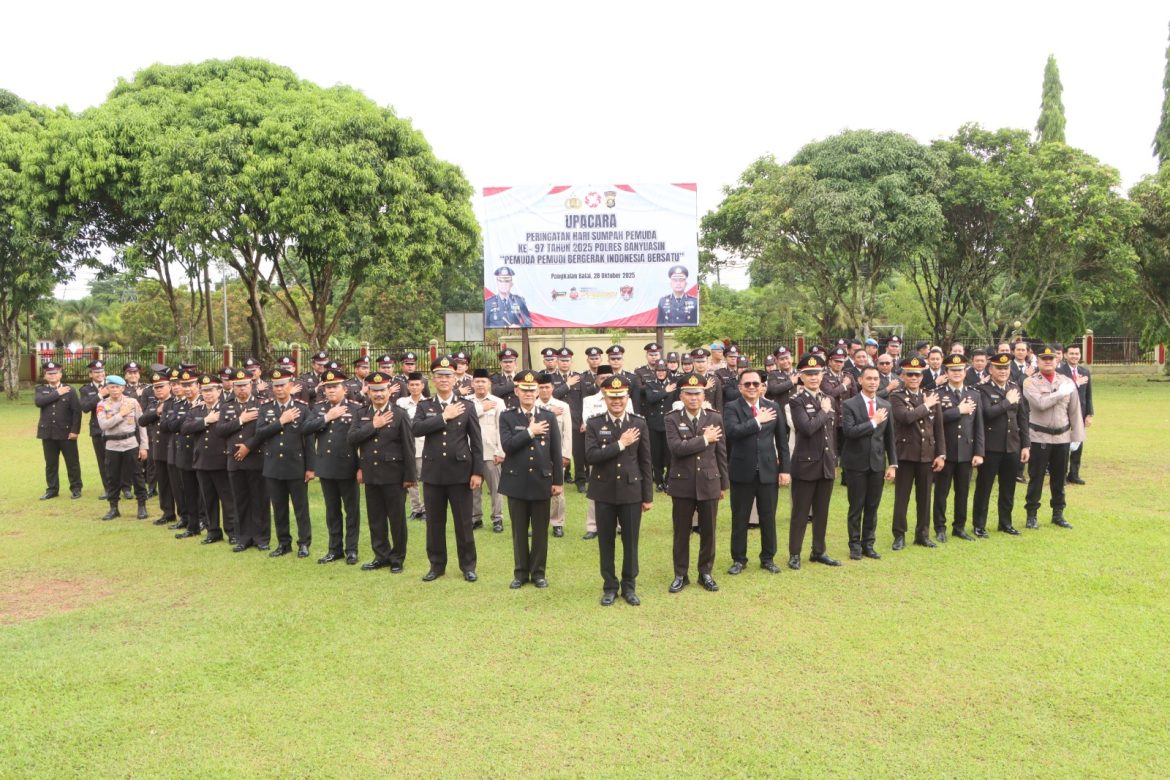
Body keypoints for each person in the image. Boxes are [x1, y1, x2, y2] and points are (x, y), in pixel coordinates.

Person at [412, 356, 485, 582]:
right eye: (439, 376)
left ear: (455, 378)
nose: (444, 379)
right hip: (433, 473)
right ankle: (436, 565)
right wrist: (443, 417)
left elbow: (477, 441)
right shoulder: (425, 406)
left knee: (464, 523)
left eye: (448, 375)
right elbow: (416, 429)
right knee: (434, 523)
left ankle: (468, 566)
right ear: (432, 380)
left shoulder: (467, 406)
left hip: (460, 473)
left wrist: (477, 472)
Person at [585, 375, 653, 606]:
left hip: (631, 491)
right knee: (606, 542)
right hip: (603, 491)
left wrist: (647, 496)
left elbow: (646, 461)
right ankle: (610, 586)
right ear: (604, 397)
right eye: (612, 397)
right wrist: (621, 444)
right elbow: (591, 456)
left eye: (621, 397)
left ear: (627, 398)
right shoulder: (594, 423)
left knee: (630, 542)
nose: (616, 401)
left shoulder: (638, 423)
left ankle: (629, 586)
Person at [664, 372, 729, 593]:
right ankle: (680, 574)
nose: (694, 398)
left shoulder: (715, 417)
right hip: (682, 483)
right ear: (681, 395)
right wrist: (703, 439)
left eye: (698, 394)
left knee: (709, 531)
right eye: (689, 394)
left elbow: (721, 452)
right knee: (681, 532)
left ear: (704, 395)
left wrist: (723, 484)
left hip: (710, 481)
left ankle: (705, 572)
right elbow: (677, 449)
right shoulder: (671, 418)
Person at [499, 370, 564, 589]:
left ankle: (538, 573)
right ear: (516, 391)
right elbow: (507, 446)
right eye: (524, 390)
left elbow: (556, 451)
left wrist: (558, 481)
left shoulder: (548, 416)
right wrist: (530, 431)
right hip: (516, 481)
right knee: (518, 531)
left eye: (532, 390)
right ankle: (520, 573)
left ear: (538, 391)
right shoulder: (507, 416)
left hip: (541, 480)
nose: (528, 393)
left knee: (539, 531)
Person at [348, 371, 417, 573]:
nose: (378, 394)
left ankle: (397, 558)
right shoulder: (361, 414)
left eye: (382, 390)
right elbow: (351, 439)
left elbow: (408, 447)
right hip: (371, 474)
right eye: (374, 390)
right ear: (368, 392)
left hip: (394, 475)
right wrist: (373, 425)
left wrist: (410, 477)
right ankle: (381, 555)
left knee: (396, 519)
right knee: (375, 518)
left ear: (389, 391)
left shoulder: (400, 414)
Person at [724, 367, 790, 575]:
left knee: (768, 517)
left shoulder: (773, 407)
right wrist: (756, 421)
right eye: (747, 384)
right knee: (740, 517)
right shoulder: (731, 407)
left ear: (763, 387)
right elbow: (733, 432)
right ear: (740, 387)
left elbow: (782, 441)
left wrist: (785, 470)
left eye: (756, 384)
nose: (752, 387)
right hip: (742, 471)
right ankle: (739, 559)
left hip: (769, 470)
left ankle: (768, 558)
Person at [253, 367, 318, 558]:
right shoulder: (266, 408)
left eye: (282, 385)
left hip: (296, 466)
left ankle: (304, 543)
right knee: (279, 508)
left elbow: (309, 441)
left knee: (301, 508)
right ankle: (283, 543)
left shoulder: (302, 409)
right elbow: (260, 433)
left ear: (290, 386)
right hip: (273, 466)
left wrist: (310, 468)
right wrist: (280, 421)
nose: (279, 389)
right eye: (276, 386)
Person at [1022, 345, 1085, 529]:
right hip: (1039, 437)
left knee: (1059, 478)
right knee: (1037, 477)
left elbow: (1074, 410)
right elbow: (1040, 404)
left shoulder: (1066, 381)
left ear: (1057, 360)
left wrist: (1077, 437)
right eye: (1044, 359)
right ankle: (1031, 514)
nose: (1048, 362)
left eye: (1051, 358)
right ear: (1038, 361)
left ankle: (1058, 513)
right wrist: (1059, 393)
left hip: (1062, 438)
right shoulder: (1030, 382)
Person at [787, 355, 840, 569]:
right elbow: (807, 428)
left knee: (822, 512)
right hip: (805, 464)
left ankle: (819, 551)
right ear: (800, 376)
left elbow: (832, 433)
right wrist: (823, 411)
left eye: (817, 373)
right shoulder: (796, 400)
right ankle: (795, 554)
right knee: (800, 513)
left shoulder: (828, 398)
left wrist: (834, 458)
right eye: (808, 374)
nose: (813, 378)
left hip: (826, 463)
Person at [839, 366, 897, 560]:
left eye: (876, 379)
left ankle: (868, 544)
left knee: (872, 506)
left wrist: (892, 464)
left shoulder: (885, 405)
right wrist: (873, 422)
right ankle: (854, 545)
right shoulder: (849, 404)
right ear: (860, 380)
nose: (873, 382)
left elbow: (890, 438)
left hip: (877, 463)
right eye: (869, 378)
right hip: (856, 463)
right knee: (856, 506)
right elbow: (849, 432)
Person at [888, 356, 945, 550]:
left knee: (925, 497)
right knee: (902, 497)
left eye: (917, 374)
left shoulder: (930, 394)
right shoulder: (896, 396)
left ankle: (922, 534)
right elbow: (905, 417)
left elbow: (939, 428)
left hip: (927, 454)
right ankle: (899, 535)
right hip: (905, 454)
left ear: (922, 376)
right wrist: (926, 406)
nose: (914, 377)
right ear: (903, 376)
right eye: (910, 374)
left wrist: (941, 454)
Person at [971, 353, 1030, 537]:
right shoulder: (982, 389)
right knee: (984, 487)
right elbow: (987, 413)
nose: (1003, 371)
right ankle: (979, 525)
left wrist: (1025, 445)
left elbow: (1023, 418)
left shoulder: (1014, 387)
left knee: (1008, 488)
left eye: (1006, 368)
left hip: (1012, 445)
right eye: (999, 368)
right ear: (991, 370)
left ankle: (1006, 523)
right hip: (991, 447)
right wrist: (1007, 402)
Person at [309, 367, 362, 564]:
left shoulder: (355, 408)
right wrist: (327, 417)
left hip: (348, 466)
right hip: (326, 466)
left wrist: (361, 467)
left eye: (335, 386)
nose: (331, 390)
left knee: (351, 511)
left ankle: (352, 550)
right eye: (328, 387)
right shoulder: (319, 409)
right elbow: (305, 429)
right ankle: (334, 549)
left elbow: (362, 440)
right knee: (332, 511)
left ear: (344, 388)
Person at [213, 369, 270, 552]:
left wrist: (248, 447)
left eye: (244, 385)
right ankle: (244, 537)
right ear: (232, 386)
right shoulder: (226, 406)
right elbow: (220, 431)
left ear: (251, 385)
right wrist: (240, 420)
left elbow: (265, 432)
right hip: (235, 461)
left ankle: (261, 538)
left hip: (256, 458)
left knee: (259, 500)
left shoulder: (262, 405)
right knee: (240, 500)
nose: (241, 389)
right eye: (237, 386)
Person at [933, 354, 984, 543]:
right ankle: (940, 527)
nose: (956, 373)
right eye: (953, 370)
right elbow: (934, 420)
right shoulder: (938, 394)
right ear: (946, 372)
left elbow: (978, 425)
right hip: (945, 451)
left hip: (966, 451)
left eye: (960, 370)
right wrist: (958, 411)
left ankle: (959, 527)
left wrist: (979, 452)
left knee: (962, 492)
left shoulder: (974, 394)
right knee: (941, 492)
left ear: (965, 372)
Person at [181, 374, 236, 545]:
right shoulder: (196, 410)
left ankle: (232, 532)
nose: (207, 393)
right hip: (202, 461)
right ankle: (213, 531)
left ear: (219, 390)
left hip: (221, 460)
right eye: (204, 390)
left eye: (211, 390)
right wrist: (206, 420)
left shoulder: (227, 408)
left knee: (227, 499)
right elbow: (185, 428)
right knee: (208, 499)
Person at [95, 375, 149, 520]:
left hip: (131, 443)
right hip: (112, 445)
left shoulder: (132, 402)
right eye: (111, 387)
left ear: (123, 388)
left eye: (117, 387)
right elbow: (104, 425)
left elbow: (142, 424)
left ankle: (142, 506)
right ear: (107, 388)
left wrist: (144, 446)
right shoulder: (102, 404)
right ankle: (113, 508)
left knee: (137, 476)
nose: (115, 390)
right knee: (112, 477)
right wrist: (121, 414)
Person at [35, 361, 83, 500]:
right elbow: (39, 402)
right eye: (49, 374)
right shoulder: (40, 390)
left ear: (60, 374)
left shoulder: (70, 390)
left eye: (55, 373)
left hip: (66, 433)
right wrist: (57, 393)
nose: (52, 375)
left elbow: (76, 412)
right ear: (45, 376)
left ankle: (76, 488)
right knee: (51, 463)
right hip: (48, 433)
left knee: (72, 462)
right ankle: (52, 489)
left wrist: (75, 431)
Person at [138, 369, 177, 525]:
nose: (158, 390)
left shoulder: (175, 402)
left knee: (177, 484)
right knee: (163, 483)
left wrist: (162, 411)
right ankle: (167, 513)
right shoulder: (154, 404)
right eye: (156, 387)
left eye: (161, 386)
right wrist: (157, 412)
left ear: (170, 387)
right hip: (158, 449)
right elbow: (142, 420)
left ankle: (184, 515)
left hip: (173, 448)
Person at [469, 368, 506, 532]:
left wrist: (501, 451)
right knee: (472, 489)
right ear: (472, 383)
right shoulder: (466, 401)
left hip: (491, 452)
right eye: (477, 381)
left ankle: (497, 518)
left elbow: (502, 428)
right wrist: (481, 408)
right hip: (470, 453)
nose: (480, 384)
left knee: (496, 489)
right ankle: (475, 518)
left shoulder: (498, 402)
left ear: (489, 383)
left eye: (483, 381)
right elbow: (461, 421)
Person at [537, 373, 572, 537]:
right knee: (536, 490)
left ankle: (557, 522)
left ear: (553, 388)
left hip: (556, 455)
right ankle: (538, 523)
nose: (544, 391)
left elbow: (567, 433)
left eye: (547, 387)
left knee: (558, 491)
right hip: (536, 454)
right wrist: (549, 411)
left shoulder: (563, 406)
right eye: (541, 387)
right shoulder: (531, 405)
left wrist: (566, 455)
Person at [1057, 344, 1093, 484]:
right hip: (1063, 413)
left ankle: (1074, 474)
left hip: (1080, 413)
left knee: (1078, 444)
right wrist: (1075, 383)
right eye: (1071, 353)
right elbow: (1060, 391)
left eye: (1077, 354)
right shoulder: (1060, 371)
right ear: (1065, 355)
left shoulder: (1085, 371)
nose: (1074, 356)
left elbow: (1088, 395)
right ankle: (1061, 475)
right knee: (1064, 445)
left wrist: (1089, 414)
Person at [396, 371, 428, 521]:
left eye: (417, 385)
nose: (414, 387)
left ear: (423, 386)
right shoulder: (401, 403)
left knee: (426, 479)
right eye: (412, 385)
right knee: (411, 479)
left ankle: (427, 509)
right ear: (408, 386)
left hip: (423, 447)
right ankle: (416, 509)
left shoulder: (428, 403)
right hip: (407, 447)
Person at [78, 359, 111, 500]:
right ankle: (108, 489)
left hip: (113, 427)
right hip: (97, 429)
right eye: (96, 372)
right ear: (91, 374)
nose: (100, 374)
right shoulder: (86, 389)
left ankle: (125, 488)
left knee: (118, 459)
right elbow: (85, 408)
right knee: (102, 461)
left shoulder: (112, 385)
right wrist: (99, 395)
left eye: (102, 371)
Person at [641, 360, 676, 492]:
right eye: (658, 371)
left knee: (670, 454)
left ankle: (668, 480)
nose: (661, 373)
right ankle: (659, 481)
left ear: (667, 371)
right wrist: (665, 391)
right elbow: (651, 398)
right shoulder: (650, 384)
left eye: (663, 370)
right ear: (655, 372)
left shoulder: (673, 385)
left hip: (669, 424)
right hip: (654, 424)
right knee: (655, 454)